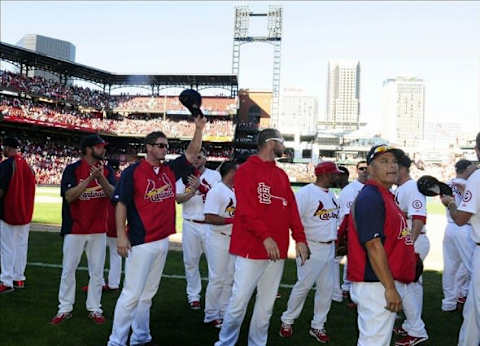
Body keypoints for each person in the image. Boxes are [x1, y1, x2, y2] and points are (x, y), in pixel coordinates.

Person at [107, 116, 206, 346]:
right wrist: (121, 235)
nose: (165, 149)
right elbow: (120, 203)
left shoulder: (169, 170)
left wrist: (198, 128)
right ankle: (116, 341)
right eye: (161, 145)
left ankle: (141, 336)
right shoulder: (134, 171)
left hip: (162, 240)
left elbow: (192, 154)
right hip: (140, 241)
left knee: (147, 295)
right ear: (149, 147)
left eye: (167, 146)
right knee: (131, 294)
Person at [214, 128, 309, 346]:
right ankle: (225, 342)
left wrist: (300, 238)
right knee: (239, 301)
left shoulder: (281, 174)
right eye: (282, 141)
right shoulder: (247, 170)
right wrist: (266, 237)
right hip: (252, 247)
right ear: (270, 142)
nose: (284, 146)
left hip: (276, 251)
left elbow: (291, 209)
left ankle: (257, 343)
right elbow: (246, 210)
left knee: (266, 305)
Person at [348, 144, 417, 346]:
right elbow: (373, 245)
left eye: (395, 162)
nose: (392, 166)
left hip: (382, 280)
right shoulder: (371, 196)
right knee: (374, 341)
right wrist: (389, 288)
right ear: (369, 168)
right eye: (384, 161)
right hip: (376, 283)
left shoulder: (385, 194)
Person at [50, 134, 115, 325]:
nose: (103, 150)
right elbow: (69, 196)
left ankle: (95, 308)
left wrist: (100, 177)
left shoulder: (107, 170)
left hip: (98, 229)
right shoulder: (72, 169)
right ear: (88, 149)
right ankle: (65, 308)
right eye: (100, 147)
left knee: (97, 272)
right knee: (68, 270)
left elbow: (113, 195)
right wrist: (89, 179)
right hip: (75, 228)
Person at [279, 161, 341, 343]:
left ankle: (318, 325)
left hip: (329, 248)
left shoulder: (332, 195)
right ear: (325, 175)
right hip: (311, 247)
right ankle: (287, 320)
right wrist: (300, 243)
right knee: (303, 286)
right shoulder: (306, 193)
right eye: (334, 173)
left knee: (326, 289)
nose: (337, 176)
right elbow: (293, 219)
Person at [440, 132, 480, 346]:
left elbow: (462, 218)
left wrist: (450, 204)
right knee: (473, 308)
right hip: (467, 232)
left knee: (454, 269)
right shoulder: (473, 178)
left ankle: (449, 302)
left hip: (459, 227)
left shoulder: (473, 179)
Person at [176, 149, 221, 309]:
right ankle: (193, 296)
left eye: (199, 156)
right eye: (194, 156)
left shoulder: (214, 176)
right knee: (190, 262)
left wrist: (200, 187)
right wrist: (192, 190)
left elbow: (219, 198)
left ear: (205, 159)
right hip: (190, 223)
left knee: (215, 263)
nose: (196, 159)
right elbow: (178, 198)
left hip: (209, 224)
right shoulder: (182, 175)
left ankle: (214, 298)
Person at [393, 152, 429, 346]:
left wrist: (410, 245)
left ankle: (416, 330)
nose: (390, 169)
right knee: (414, 287)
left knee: (403, 284)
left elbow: (419, 218)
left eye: (393, 165)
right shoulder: (402, 188)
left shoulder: (412, 188)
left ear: (402, 168)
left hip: (414, 241)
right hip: (410, 241)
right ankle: (410, 325)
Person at [203, 160, 237, 328]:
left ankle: (224, 312)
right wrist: (233, 220)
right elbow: (209, 217)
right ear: (231, 172)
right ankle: (210, 314)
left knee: (229, 278)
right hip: (218, 238)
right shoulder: (217, 190)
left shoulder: (234, 190)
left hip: (231, 239)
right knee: (217, 278)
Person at [0, 136, 36, 293]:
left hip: (9, 212)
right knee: (21, 247)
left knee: (7, 247)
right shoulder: (28, 166)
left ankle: (6, 280)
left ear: (7, 148)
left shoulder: (6, 164)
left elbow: (1, 189)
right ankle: (18, 278)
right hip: (25, 213)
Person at [441, 160, 476, 312]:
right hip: (465, 227)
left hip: (450, 227)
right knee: (472, 266)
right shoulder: (471, 183)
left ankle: (449, 302)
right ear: (467, 169)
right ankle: (468, 297)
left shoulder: (448, 183)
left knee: (450, 267)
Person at [336, 160, 368, 306]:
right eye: (361, 168)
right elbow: (347, 215)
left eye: (367, 168)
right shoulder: (350, 190)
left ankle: (347, 289)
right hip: (349, 231)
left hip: (366, 231)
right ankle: (343, 289)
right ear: (357, 171)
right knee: (340, 261)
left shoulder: (373, 187)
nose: (364, 170)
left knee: (357, 262)